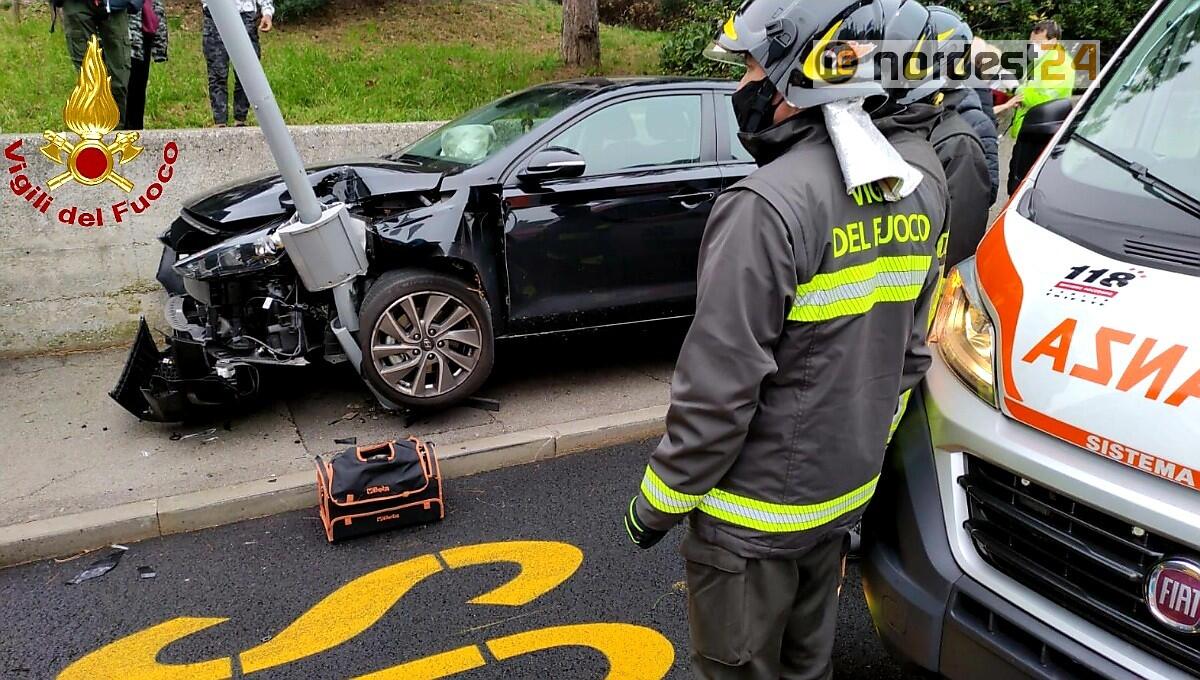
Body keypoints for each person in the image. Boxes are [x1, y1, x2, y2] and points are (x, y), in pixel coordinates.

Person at [622, 0, 949, 677]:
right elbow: (910, 356)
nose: (742, 85)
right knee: (808, 668)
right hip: (839, 504)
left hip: (750, 523)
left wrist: (656, 504)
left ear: (800, 77)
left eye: (750, 67)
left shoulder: (764, 207)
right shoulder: (919, 192)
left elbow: (720, 389)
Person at [995, 18, 1076, 140]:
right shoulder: (1039, 61)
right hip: (1030, 129)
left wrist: (1015, 88)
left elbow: (1045, 100)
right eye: (1032, 42)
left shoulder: (1060, 64)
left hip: (1041, 133)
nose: (1033, 46)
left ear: (1053, 41)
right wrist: (1008, 90)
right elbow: (1029, 89)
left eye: (1038, 42)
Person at [60, 0, 137, 129]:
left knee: (119, 78)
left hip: (114, 4)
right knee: (89, 80)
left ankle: (116, 131)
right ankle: (93, 132)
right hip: (76, 5)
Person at [201, 0, 274, 127]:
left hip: (245, 16)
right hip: (215, 16)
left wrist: (267, 13)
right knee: (217, 72)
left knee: (247, 72)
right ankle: (220, 122)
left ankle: (240, 120)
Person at [126, 0, 169, 131]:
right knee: (125, 87)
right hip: (122, 33)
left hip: (143, 34)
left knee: (138, 88)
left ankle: (136, 130)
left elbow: (155, 7)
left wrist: (160, 43)